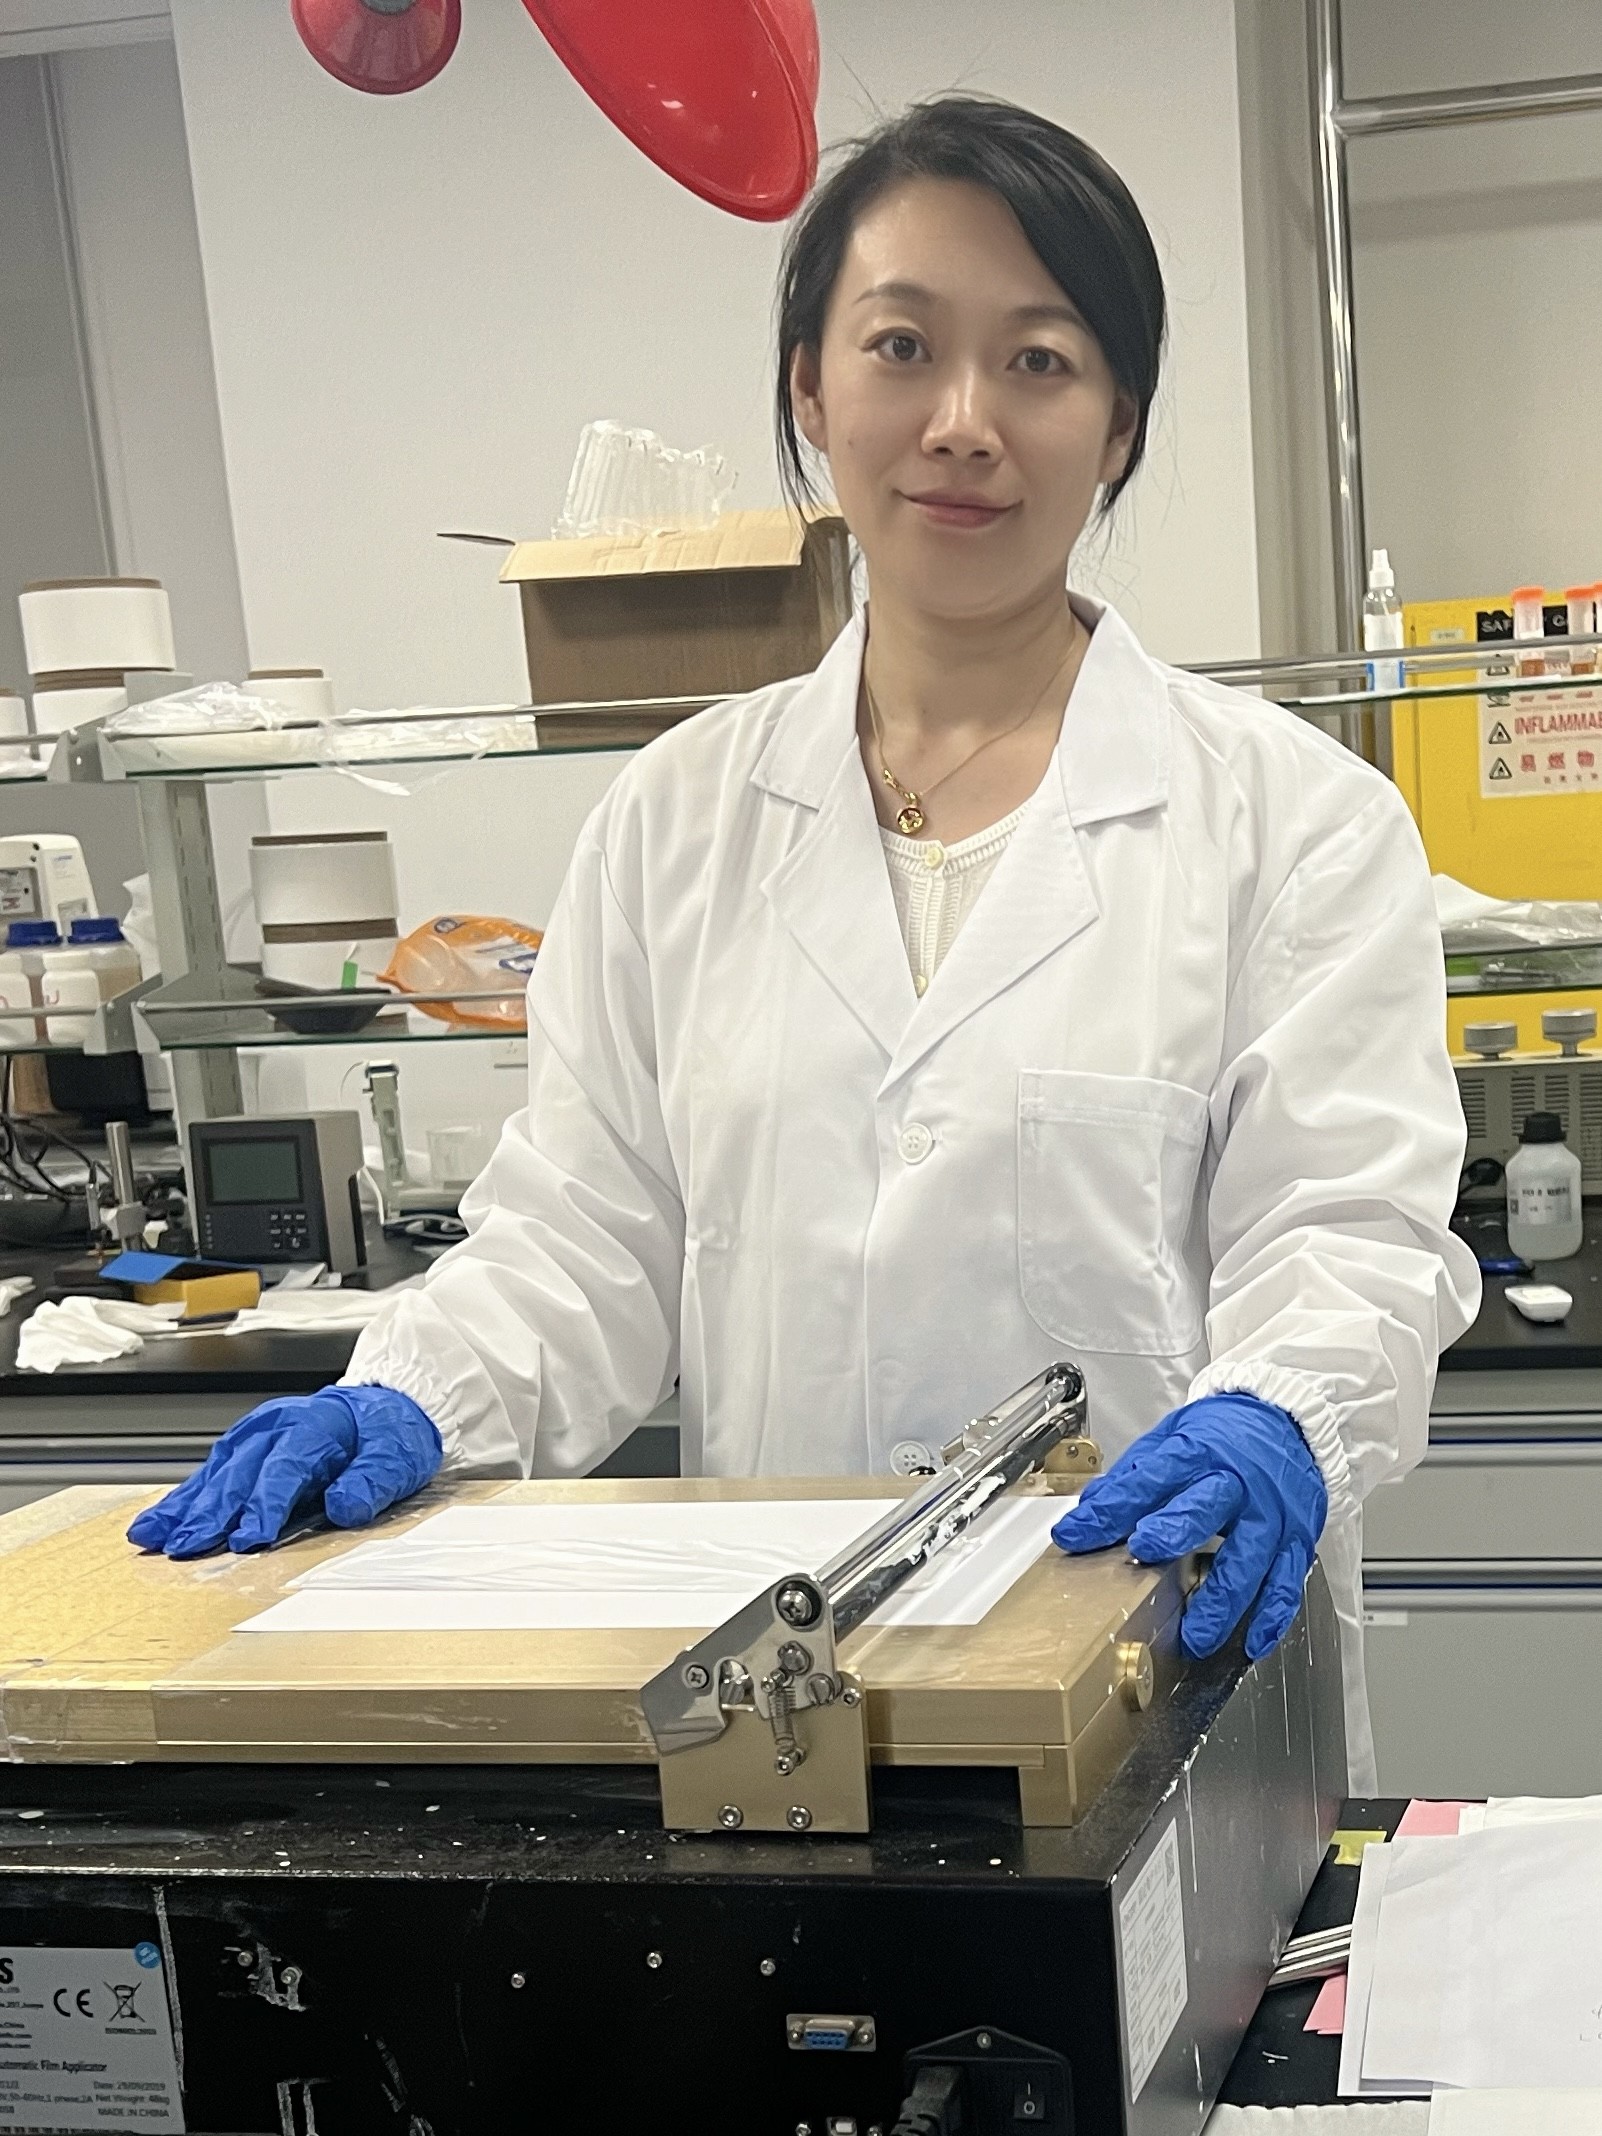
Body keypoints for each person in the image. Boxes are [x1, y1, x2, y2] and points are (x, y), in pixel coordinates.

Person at [129, 96, 1480, 1790]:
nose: (963, 424)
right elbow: (587, 1238)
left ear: (1118, 423)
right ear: (810, 391)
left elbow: (1347, 1234)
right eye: (902, 347)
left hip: (1169, 1670)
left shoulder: (1292, 820)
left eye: (1040, 361)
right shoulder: (675, 818)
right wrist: (417, 1392)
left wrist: (1280, 1410)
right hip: (782, 1699)